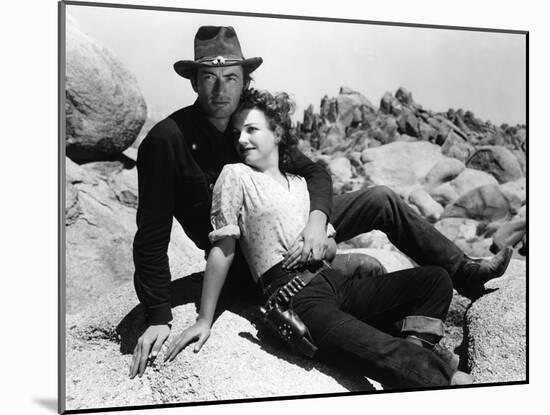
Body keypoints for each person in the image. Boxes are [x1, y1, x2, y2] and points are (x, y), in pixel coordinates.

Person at [129, 25, 512, 379]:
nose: (220, 90)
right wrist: (159, 316)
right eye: (209, 78)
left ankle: (466, 274)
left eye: (231, 77)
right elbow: (151, 236)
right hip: (252, 262)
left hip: (292, 225)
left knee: (380, 199)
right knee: (364, 270)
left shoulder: (249, 122)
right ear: (194, 81)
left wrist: (317, 222)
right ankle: (424, 359)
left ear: (245, 79)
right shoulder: (167, 141)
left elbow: (314, 172)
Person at [163, 89, 473, 388]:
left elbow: (332, 245)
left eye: (251, 129)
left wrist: (320, 245)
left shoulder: (299, 183)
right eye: (236, 133)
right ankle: (438, 376)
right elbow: (223, 247)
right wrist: (204, 319)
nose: (241, 139)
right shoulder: (235, 175)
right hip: (295, 299)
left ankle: (417, 357)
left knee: (436, 281)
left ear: (277, 133)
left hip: (332, 280)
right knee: (383, 351)